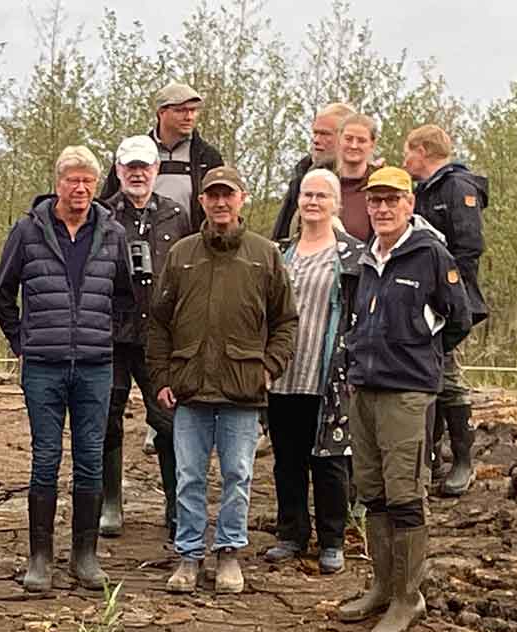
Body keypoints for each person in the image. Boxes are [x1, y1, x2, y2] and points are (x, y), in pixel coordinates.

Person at [0, 145, 137, 593]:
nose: (79, 188)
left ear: (96, 185)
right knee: (45, 458)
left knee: (91, 460)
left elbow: (126, 296)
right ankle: (40, 558)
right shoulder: (28, 231)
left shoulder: (111, 234)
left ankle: (85, 555)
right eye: (72, 179)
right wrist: (22, 342)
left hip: (95, 366)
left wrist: (102, 336)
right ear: (58, 183)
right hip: (43, 367)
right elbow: (2, 293)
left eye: (87, 181)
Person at [147, 165, 298, 596]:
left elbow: (285, 320)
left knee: (238, 474)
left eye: (227, 194)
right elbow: (158, 324)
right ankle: (189, 555)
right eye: (212, 195)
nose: (219, 202)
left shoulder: (264, 254)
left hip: (243, 389)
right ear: (201, 202)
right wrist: (161, 376)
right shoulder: (182, 254)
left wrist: (270, 366)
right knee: (190, 476)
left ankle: (229, 551)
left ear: (242, 198)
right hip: (190, 386)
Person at [339, 166, 473, 632]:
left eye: (391, 200)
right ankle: (381, 585)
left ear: (409, 204)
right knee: (371, 491)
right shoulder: (363, 258)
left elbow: (460, 317)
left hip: (407, 392)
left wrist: (419, 351)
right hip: (365, 389)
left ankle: (407, 597)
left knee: (405, 495)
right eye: (375, 201)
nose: (381, 209)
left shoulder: (431, 255)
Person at [265, 168, 365, 576]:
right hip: (283, 373)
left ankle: (332, 540)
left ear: (336, 203)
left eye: (322, 196)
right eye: (307, 195)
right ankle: (291, 532)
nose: (312, 202)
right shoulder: (280, 253)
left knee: (329, 460)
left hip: (330, 375)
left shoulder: (353, 256)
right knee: (287, 458)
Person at [99, 134, 188, 539]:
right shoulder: (102, 215)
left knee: (168, 421)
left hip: (160, 336)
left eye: (144, 167)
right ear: (118, 170)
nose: (137, 173)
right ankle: (111, 502)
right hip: (113, 333)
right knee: (107, 419)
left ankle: (175, 503)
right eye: (129, 167)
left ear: (156, 170)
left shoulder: (177, 214)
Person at [405, 123, 490, 498]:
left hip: (450, 301)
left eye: (408, 151)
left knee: (448, 375)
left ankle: (463, 459)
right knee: (427, 374)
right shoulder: (421, 191)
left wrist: (449, 293)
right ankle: (431, 454)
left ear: (422, 151)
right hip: (419, 299)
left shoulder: (458, 188)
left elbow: (468, 248)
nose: (406, 158)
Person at [102, 82, 226, 231]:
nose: (189, 117)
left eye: (193, 110)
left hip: (190, 243)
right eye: (181, 111)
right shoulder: (131, 154)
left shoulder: (207, 157)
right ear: (161, 112)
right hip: (134, 242)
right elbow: (107, 204)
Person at [269, 102, 356, 242]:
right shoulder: (302, 175)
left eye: (325, 134)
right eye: (315, 133)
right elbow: (282, 233)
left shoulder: (365, 183)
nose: (316, 140)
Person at [334, 112, 380, 241]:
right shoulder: (323, 184)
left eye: (361, 141)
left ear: (372, 144)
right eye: (348, 139)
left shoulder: (381, 187)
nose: (354, 146)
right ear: (339, 140)